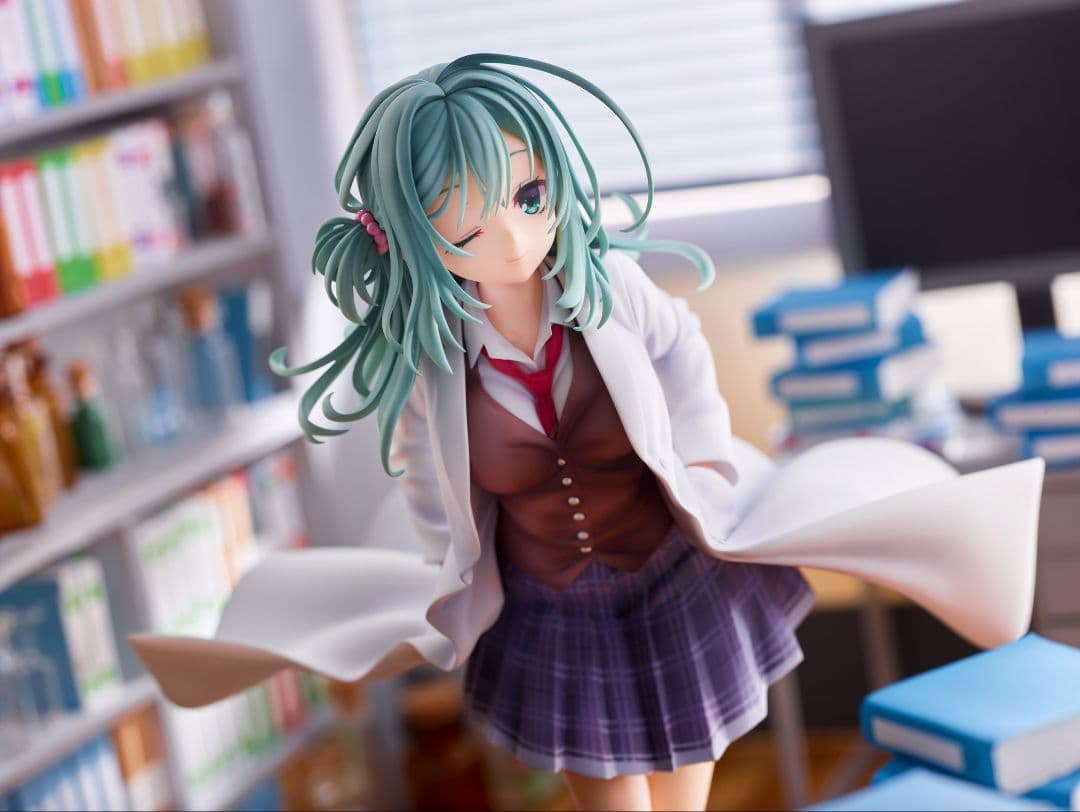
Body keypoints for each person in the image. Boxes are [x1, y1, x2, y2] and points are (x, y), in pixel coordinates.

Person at [129, 54, 1043, 812]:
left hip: (673, 582)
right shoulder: (438, 366)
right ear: (412, 237)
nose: (511, 238)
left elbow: (681, 355)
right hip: (553, 614)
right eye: (466, 226)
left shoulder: (609, 293)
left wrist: (706, 461)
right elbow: (426, 473)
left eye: (528, 196)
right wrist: (447, 562)